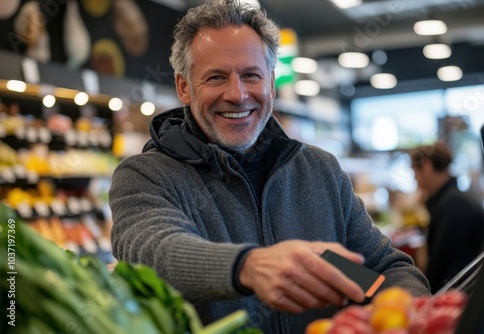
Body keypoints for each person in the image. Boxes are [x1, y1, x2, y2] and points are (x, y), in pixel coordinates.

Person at [109, 0, 430, 332]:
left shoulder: (319, 171)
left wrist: (403, 315)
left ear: (271, 83)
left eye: (251, 75)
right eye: (216, 77)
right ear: (184, 87)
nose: (237, 94)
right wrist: (248, 267)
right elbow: (152, 251)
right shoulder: (145, 176)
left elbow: (382, 271)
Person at [410, 142, 484, 294]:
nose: (414, 178)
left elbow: (442, 269)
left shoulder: (454, 205)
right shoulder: (453, 199)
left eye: (414, 171)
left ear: (426, 166)